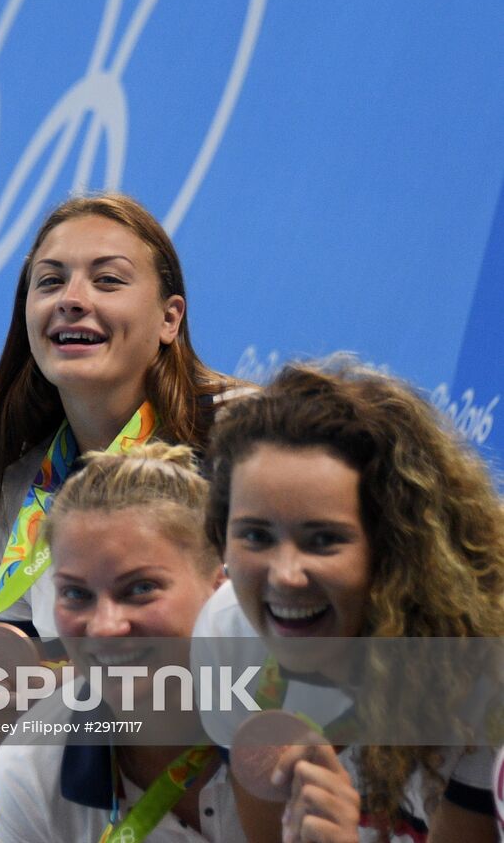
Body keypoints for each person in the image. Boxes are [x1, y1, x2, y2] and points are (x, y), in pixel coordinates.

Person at [197, 361, 504, 842]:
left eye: (323, 540)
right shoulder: (228, 638)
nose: (285, 576)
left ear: (396, 547)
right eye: (255, 535)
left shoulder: (482, 672)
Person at [0, 192, 243, 639]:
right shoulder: (18, 485)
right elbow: (16, 660)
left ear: (170, 319)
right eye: (50, 282)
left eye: (108, 280)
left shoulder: (245, 443)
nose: (71, 300)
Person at [0, 443, 246, 841]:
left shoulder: (308, 719)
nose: (104, 627)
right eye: (75, 594)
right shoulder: (31, 766)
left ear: (221, 587)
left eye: (140, 588)